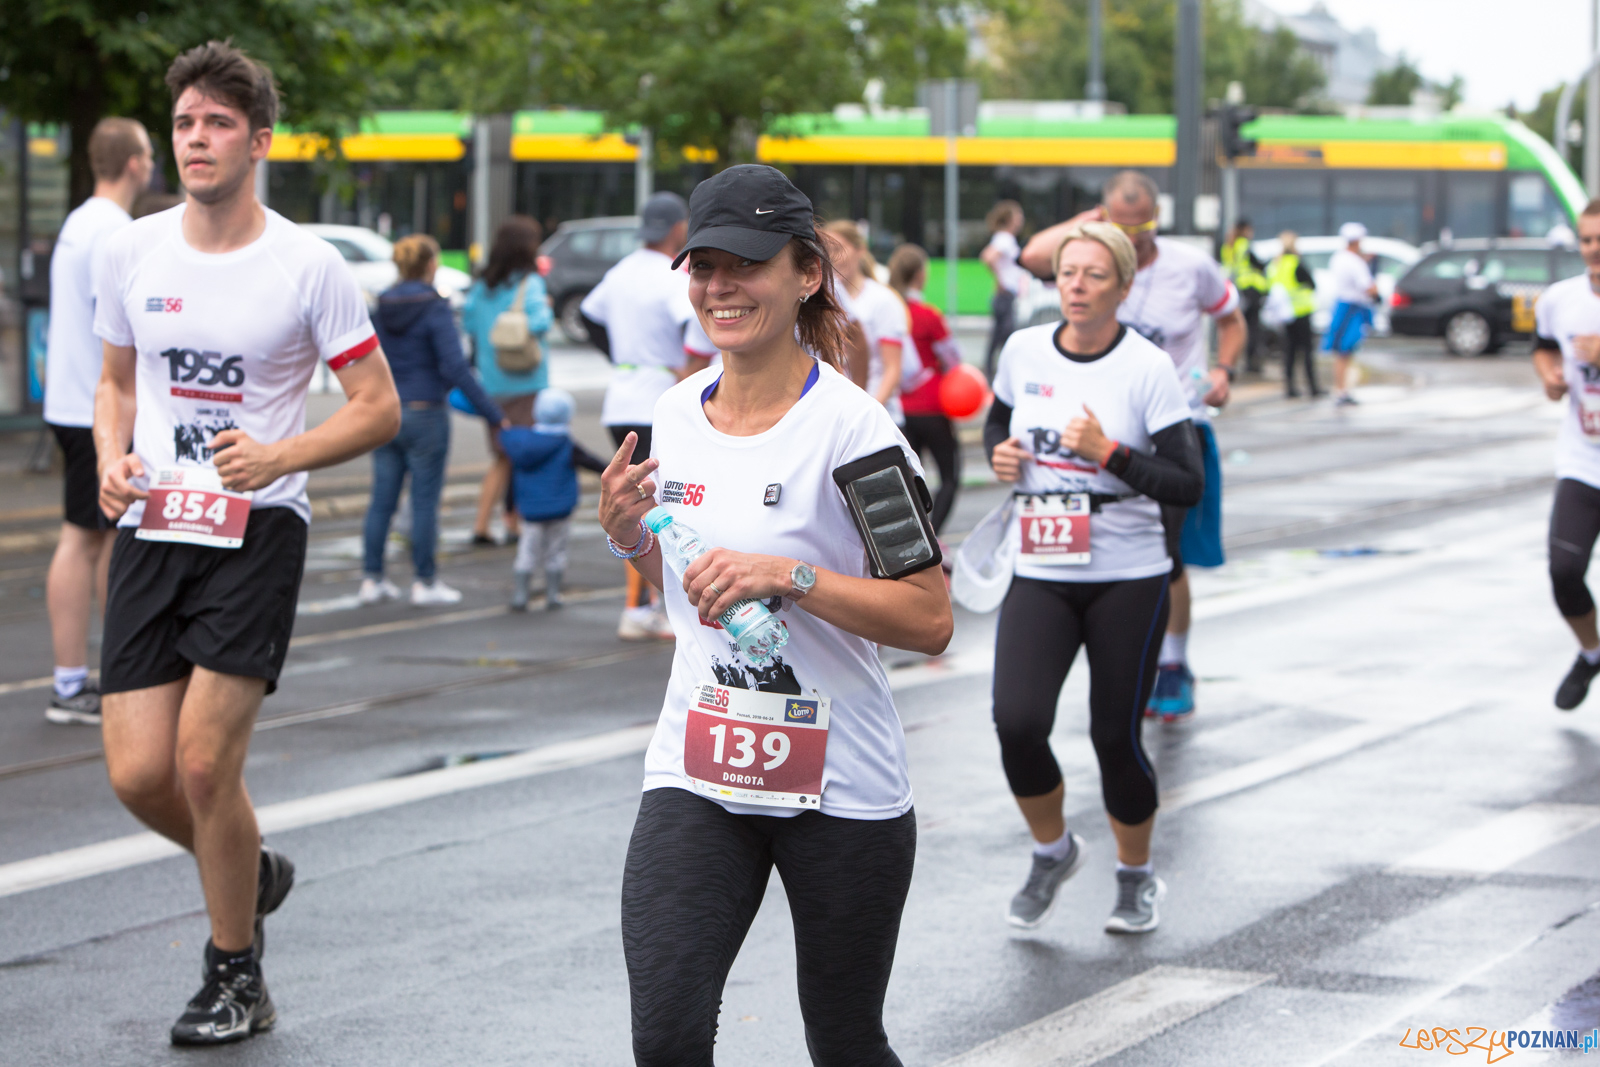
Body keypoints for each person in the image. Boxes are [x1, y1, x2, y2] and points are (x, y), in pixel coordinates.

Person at [598, 163, 952, 1065]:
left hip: (841, 782)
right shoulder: (674, 412)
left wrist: (789, 574)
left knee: (842, 1038)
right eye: (704, 266)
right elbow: (681, 564)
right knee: (667, 1035)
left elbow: (929, 615)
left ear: (806, 274)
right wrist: (629, 536)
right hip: (699, 763)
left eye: (746, 265)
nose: (721, 287)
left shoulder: (856, 430)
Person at [91, 41, 400, 1044]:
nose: (197, 139)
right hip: (153, 521)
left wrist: (281, 455)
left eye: (219, 123)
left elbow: (378, 407)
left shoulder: (308, 264)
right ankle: (251, 867)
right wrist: (109, 457)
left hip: (256, 524)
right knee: (138, 773)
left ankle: (236, 972)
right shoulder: (130, 250)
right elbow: (116, 383)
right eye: (184, 123)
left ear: (258, 141)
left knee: (201, 764)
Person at [986, 221, 1203, 934]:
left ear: (1123, 285)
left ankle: (1136, 875)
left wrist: (1108, 451)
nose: (1076, 286)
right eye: (1066, 273)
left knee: (1115, 735)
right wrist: (1002, 456)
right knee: (1017, 722)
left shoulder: (1145, 367)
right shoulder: (1023, 350)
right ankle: (1053, 850)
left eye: (1093, 275)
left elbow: (1185, 482)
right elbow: (997, 425)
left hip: (1127, 572)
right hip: (1042, 563)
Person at [1020, 170, 1245, 722]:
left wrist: (1223, 369)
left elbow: (1231, 319)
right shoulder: (1091, 262)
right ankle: (1120, 658)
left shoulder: (1189, 266)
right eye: (1122, 228)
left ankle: (1172, 663)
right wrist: (1089, 224)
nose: (1134, 240)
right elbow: (1032, 256)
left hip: (1175, 426)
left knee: (1169, 556)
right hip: (1097, 429)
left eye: (1141, 230)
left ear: (1156, 222)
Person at [41, 117, 154, 725]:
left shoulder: (80, 221)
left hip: (71, 398)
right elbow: (122, 329)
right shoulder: (115, 231)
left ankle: (115, 671)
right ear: (135, 163)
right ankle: (70, 683)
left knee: (104, 536)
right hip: (97, 406)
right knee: (84, 538)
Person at [580, 191, 716, 641]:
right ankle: (641, 606)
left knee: (637, 503)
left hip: (621, 397)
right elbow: (699, 326)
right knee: (655, 507)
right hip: (660, 399)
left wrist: (621, 356)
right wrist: (690, 370)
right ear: (679, 229)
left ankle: (646, 604)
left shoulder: (620, 271)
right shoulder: (670, 275)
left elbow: (588, 314)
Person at [361, 234, 507, 607]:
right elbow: (455, 366)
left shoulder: (381, 307)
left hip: (387, 412)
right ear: (430, 265)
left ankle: (372, 578)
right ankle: (424, 581)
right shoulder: (434, 307)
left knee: (382, 499)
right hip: (426, 412)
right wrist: (493, 415)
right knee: (424, 501)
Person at [1532, 199, 1600, 710]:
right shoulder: (1560, 299)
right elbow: (1544, 346)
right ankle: (1592, 653)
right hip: (1583, 461)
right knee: (1563, 570)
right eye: (1587, 240)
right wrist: (1550, 376)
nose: (1593, 251)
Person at [462, 216, 553, 543]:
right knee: (523, 456)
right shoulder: (530, 283)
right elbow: (540, 324)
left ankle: (484, 523)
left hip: (492, 384)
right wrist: (547, 309)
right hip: (527, 383)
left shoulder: (482, 285)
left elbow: (470, 326)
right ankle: (515, 523)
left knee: (502, 455)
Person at [501, 388, 607, 610]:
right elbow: (594, 463)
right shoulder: (566, 444)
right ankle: (553, 594)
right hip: (561, 509)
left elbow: (511, 479)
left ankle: (521, 595)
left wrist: (509, 506)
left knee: (527, 551)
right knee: (556, 552)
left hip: (530, 510)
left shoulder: (521, 445)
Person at [888, 242, 965, 533]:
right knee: (949, 477)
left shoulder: (890, 310)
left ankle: (913, 539)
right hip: (933, 406)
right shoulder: (928, 315)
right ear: (920, 275)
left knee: (908, 483)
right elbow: (953, 358)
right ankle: (935, 535)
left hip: (901, 411)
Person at [824, 219, 912, 422]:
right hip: (839, 418)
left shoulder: (882, 299)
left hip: (878, 418)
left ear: (860, 250)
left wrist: (870, 411)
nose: (833, 257)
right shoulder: (825, 296)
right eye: (827, 250)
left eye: (840, 248)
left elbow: (892, 368)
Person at [1325, 221, 1378, 406]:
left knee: (1341, 351)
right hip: (1352, 308)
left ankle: (1341, 389)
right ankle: (1342, 390)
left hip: (1342, 306)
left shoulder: (1338, 258)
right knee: (1345, 351)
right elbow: (1368, 287)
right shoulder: (1355, 262)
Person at [1269, 231, 1321, 398]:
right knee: (1306, 351)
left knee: (1289, 352)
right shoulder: (1296, 263)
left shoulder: (1276, 264)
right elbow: (1312, 284)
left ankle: (1290, 388)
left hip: (1285, 315)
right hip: (1301, 312)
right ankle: (1312, 387)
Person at [982, 199, 1027, 379]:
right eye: (1018, 215)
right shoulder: (1005, 239)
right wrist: (1001, 280)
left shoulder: (1003, 238)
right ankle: (1000, 370)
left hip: (1005, 294)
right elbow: (988, 257)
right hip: (1005, 294)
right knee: (1006, 333)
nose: (1021, 219)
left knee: (998, 334)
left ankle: (992, 370)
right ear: (1010, 218)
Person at [1220, 219, 1268, 374]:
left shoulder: (1228, 246)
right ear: (1245, 230)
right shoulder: (1243, 244)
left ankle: (1242, 360)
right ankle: (1252, 362)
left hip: (1237, 289)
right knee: (1253, 328)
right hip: (1251, 289)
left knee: (1240, 325)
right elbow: (1256, 264)